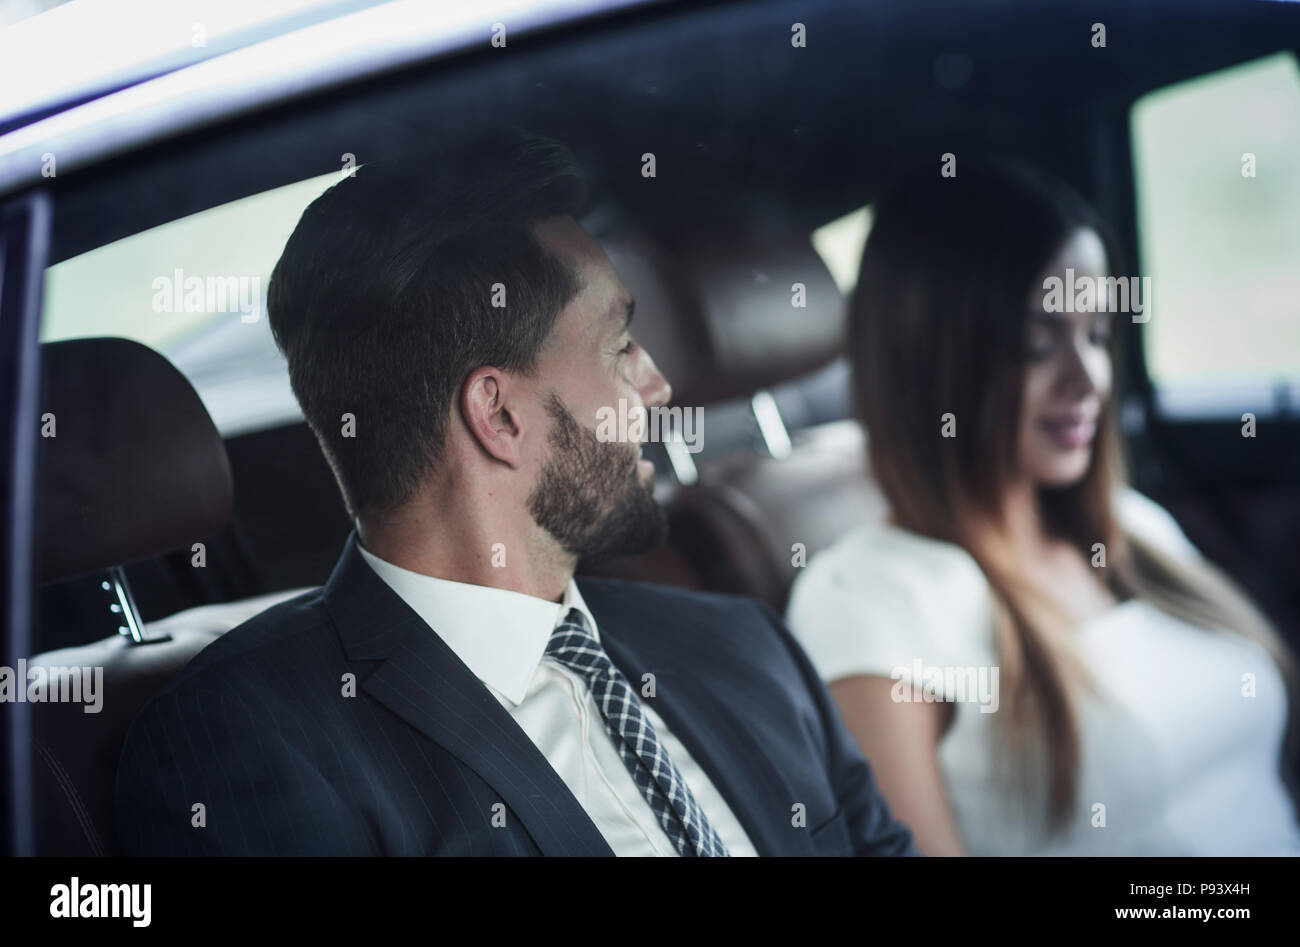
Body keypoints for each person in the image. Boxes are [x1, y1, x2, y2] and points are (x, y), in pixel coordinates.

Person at [113, 130, 916, 857]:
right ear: (498, 414)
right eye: (620, 346)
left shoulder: (743, 648)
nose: (659, 385)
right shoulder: (252, 745)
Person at [786, 160, 1300, 856]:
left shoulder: (1134, 524)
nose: (1088, 379)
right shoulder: (867, 598)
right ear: (932, 357)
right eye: (1036, 343)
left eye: (1096, 335)